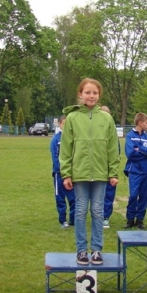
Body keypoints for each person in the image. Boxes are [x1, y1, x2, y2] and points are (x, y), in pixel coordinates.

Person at [60, 78, 120, 265]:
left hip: (101, 174)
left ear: (99, 95)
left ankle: (96, 250)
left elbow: (112, 147)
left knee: (97, 211)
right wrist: (66, 173)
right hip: (79, 174)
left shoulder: (107, 118)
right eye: (87, 92)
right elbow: (66, 148)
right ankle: (81, 250)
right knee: (79, 211)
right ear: (80, 94)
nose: (91, 96)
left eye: (94, 92)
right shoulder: (72, 118)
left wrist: (113, 172)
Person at [123, 112, 147, 230]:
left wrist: (140, 149)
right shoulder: (130, 136)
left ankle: (140, 219)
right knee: (133, 195)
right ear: (140, 123)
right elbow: (131, 154)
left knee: (144, 195)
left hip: (146, 171)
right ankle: (130, 219)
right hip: (134, 171)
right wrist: (145, 152)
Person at [50, 115, 76, 228]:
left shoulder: (73, 138)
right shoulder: (55, 139)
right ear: (59, 124)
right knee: (60, 198)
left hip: (72, 174)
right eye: (64, 124)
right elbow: (55, 157)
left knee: (74, 198)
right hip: (59, 174)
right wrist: (62, 171)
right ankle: (62, 220)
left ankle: (73, 220)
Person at [99, 106, 118, 229]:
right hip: (97, 170)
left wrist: (113, 171)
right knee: (97, 195)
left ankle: (105, 217)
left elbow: (116, 153)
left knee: (109, 194)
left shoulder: (113, 135)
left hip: (109, 170)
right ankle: (97, 216)